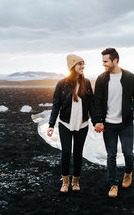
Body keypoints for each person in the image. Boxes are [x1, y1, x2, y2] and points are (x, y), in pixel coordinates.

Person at [93, 47, 134, 198]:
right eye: (102, 61)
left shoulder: (129, 77)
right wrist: (97, 121)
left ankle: (128, 173)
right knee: (111, 155)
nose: (103, 64)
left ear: (115, 60)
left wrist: (130, 107)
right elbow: (97, 102)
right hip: (108, 125)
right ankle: (113, 184)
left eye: (106, 61)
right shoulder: (102, 79)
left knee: (128, 153)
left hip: (126, 123)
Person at [47, 54, 93, 193]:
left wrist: (97, 122)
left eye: (83, 64)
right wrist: (51, 124)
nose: (82, 66)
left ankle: (76, 181)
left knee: (78, 154)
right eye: (79, 64)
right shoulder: (62, 84)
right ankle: (65, 183)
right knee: (66, 153)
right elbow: (56, 105)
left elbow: (92, 104)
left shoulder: (87, 83)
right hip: (65, 124)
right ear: (73, 66)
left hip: (82, 125)